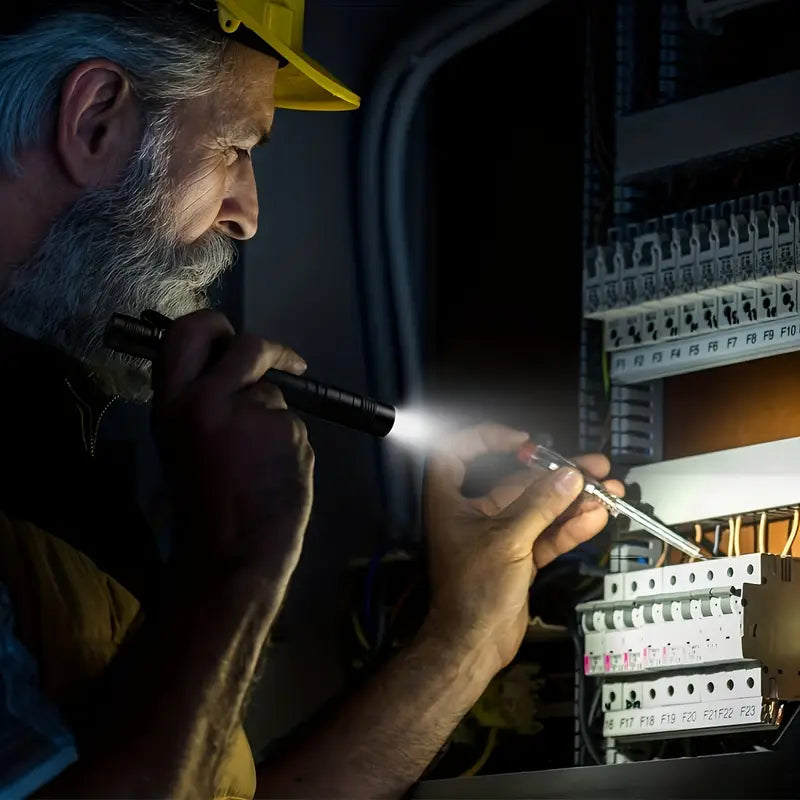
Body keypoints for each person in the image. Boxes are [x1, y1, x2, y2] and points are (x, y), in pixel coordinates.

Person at [0, 1, 623, 797]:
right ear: (95, 120)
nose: (248, 215)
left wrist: (465, 637)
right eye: (235, 149)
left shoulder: (47, 429)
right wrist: (237, 558)